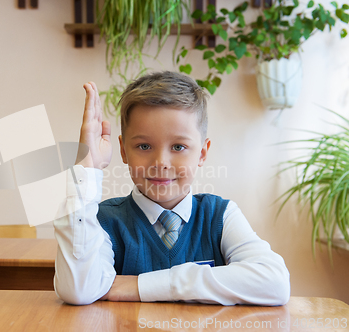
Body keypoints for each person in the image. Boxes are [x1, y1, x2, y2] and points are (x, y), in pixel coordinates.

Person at [53, 71, 290, 305]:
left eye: (178, 147)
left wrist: (140, 286)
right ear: (124, 151)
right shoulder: (103, 220)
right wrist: (87, 170)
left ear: (202, 153)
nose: (161, 163)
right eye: (144, 146)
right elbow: (79, 291)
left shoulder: (220, 215)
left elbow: (274, 282)